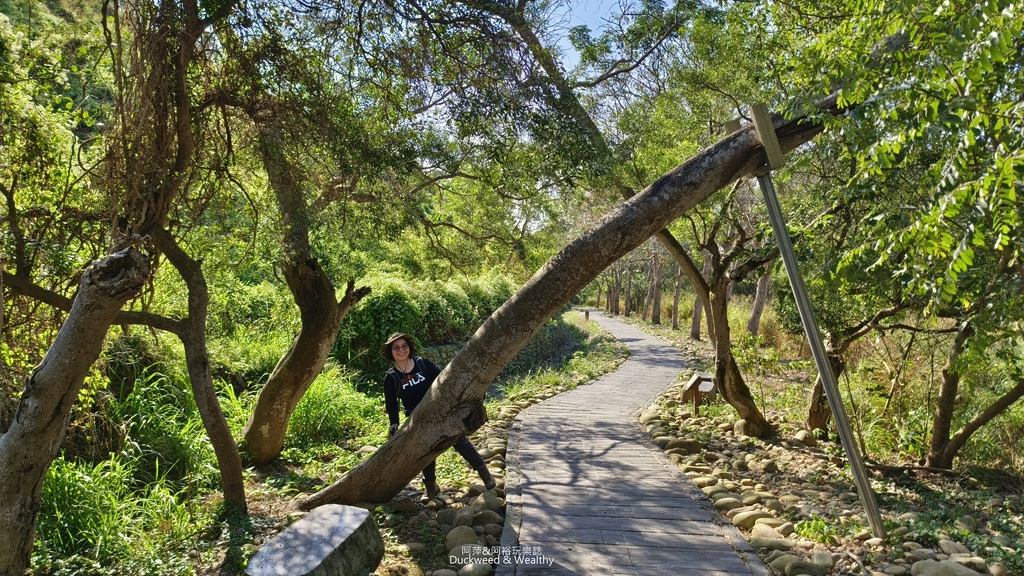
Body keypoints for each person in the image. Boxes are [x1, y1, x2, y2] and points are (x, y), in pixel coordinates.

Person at [380, 332, 496, 498]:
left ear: (409, 347)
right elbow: (392, 404)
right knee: (425, 451)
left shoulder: (422, 364)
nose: (401, 350)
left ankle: (485, 474)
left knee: (459, 441)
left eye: (404, 346)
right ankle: (431, 486)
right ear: (391, 351)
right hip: (416, 419)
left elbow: (444, 379)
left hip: (440, 412)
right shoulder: (391, 378)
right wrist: (393, 424)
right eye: (396, 347)